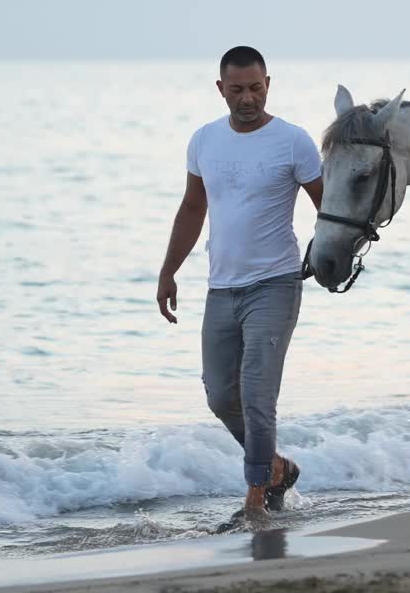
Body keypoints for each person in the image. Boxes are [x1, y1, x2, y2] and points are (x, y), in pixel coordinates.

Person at [156, 45, 324, 521]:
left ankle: (256, 500)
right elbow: (193, 208)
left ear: (268, 84)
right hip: (221, 288)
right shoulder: (204, 140)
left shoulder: (294, 142)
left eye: (256, 87)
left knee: (256, 394)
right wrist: (169, 269)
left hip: (275, 283)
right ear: (220, 89)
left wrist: (329, 257)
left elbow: (328, 207)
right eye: (237, 90)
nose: (247, 98)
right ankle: (274, 467)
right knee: (219, 396)